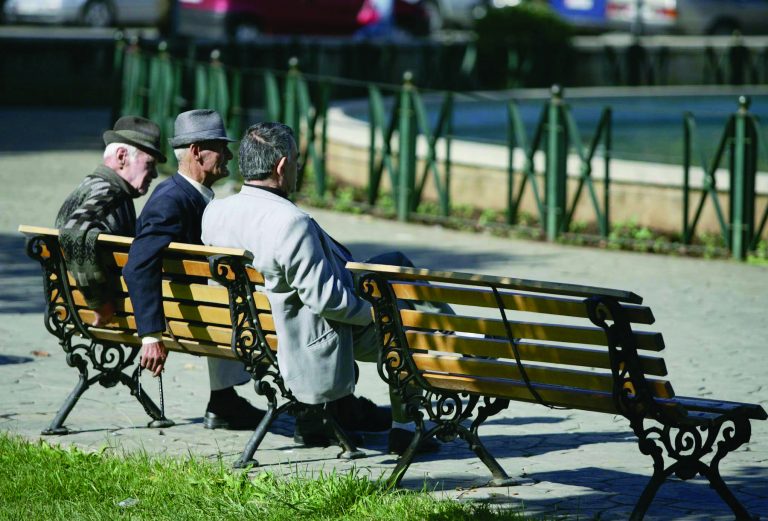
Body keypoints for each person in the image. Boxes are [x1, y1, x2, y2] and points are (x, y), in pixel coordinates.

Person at [201, 122, 443, 454]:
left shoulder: (216, 210)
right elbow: (328, 300)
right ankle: (406, 430)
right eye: (297, 161)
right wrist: (379, 315)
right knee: (404, 326)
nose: (299, 168)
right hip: (307, 334)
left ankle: (461, 341)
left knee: (394, 261)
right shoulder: (291, 222)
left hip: (255, 325)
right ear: (282, 166)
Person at [123, 109, 265, 430]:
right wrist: (149, 336)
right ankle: (321, 406)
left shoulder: (185, 194)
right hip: (194, 315)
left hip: (200, 310)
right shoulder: (171, 201)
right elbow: (138, 265)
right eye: (221, 147)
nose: (229, 155)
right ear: (197, 152)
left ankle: (224, 400)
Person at [56, 115, 166, 326]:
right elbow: (74, 231)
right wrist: (100, 303)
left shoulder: (88, 185)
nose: (154, 173)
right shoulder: (110, 194)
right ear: (122, 156)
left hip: (70, 306)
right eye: (150, 163)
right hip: (112, 315)